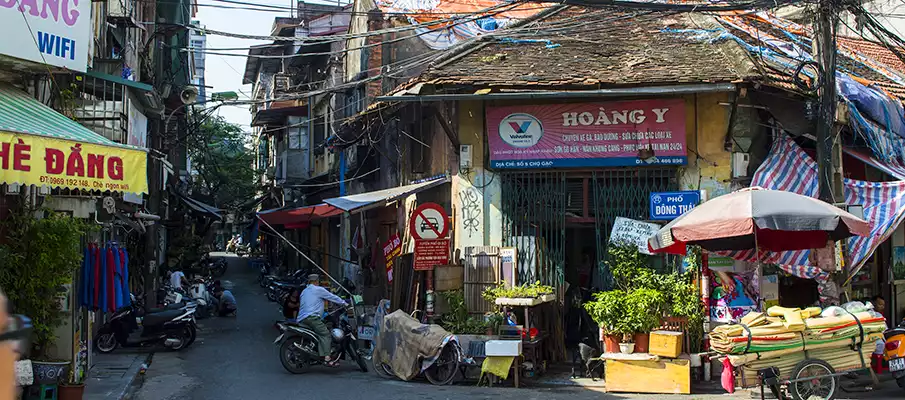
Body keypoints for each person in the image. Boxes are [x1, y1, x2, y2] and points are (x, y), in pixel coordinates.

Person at [297, 274, 347, 366]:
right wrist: (344, 303)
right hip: (312, 318)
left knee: (323, 328)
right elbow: (332, 297)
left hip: (302, 318)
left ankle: (319, 351)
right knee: (325, 334)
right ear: (317, 281)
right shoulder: (318, 289)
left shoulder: (304, 291)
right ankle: (327, 358)